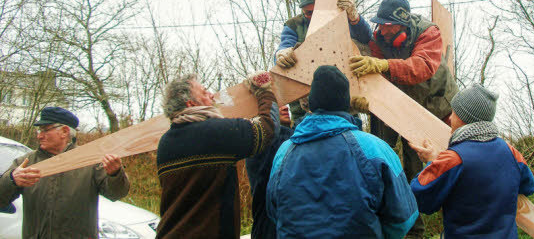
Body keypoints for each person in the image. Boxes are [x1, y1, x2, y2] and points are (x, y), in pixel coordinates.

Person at [266, 65, 419, 238]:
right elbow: (403, 217)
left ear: (312, 102)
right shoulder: (374, 148)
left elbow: (274, 211)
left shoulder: (284, 151)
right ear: (346, 102)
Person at [348, 0, 456, 238]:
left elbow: (421, 67)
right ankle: (382, 224)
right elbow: (369, 49)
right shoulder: (381, 36)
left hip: (429, 106)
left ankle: (414, 232)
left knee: (416, 169)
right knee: (377, 156)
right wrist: (365, 99)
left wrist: (385, 66)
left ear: (402, 23)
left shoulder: (429, 33)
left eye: (387, 26)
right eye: (380, 25)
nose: (382, 31)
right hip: (394, 102)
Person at [155, 72, 275, 239]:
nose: (212, 95)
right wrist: (265, 92)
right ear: (191, 103)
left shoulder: (165, 143)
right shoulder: (213, 132)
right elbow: (266, 130)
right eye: (204, 92)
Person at [409, 84, 534, 238]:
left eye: (454, 113)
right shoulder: (512, 153)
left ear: (464, 118)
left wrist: (432, 163)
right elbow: (528, 187)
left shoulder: (453, 158)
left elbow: (419, 197)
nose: (450, 118)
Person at [0, 106, 130, 239]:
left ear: (64, 131)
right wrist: (11, 179)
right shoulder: (26, 162)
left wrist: (115, 174)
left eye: (45, 130)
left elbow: (116, 194)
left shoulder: (90, 161)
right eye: (39, 130)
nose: (39, 136)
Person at [274, 0, 371, 125]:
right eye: (307, 13)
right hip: (305, 105)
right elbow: (285, 45)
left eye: (315, 12)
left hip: (344, 104)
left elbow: (366, 38)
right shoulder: (294, 25)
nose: (311, 17)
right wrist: (281, 54)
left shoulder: (341, 20)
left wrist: (355, 19)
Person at [245, 104, 293, 239]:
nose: (285, 108)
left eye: (287, 103)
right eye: (277, 104)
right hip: (269, 230)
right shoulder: (262, 145)